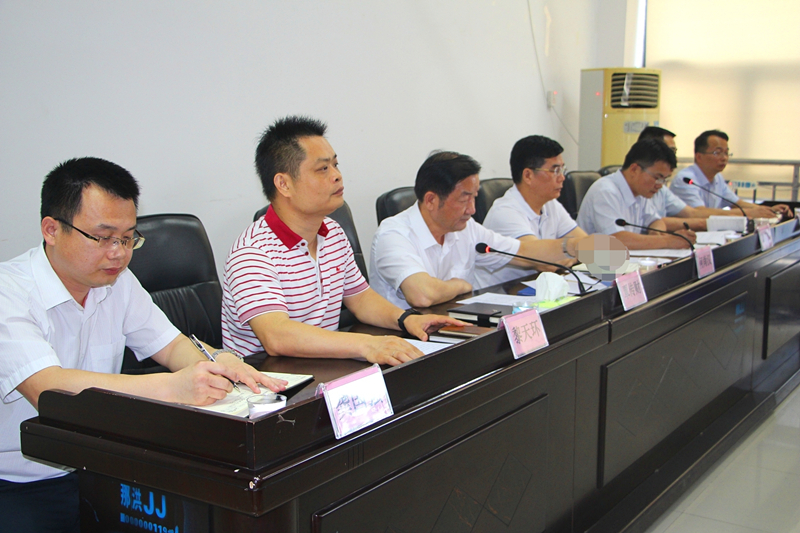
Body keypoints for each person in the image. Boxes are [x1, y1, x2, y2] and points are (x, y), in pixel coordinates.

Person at [0, 157, 285, 533]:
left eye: (127, 238)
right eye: (102, 237)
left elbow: (171, 345)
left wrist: (216, 366)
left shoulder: (116, 281)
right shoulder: (9, 292)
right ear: (52, 229)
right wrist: (173, 387)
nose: (118, 253)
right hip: (22, 481)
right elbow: (48, 388)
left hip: (102, 462)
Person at [222, 116, 462, 366]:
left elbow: (360, 299)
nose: (337, 176)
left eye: (335, 165)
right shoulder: (252, 253)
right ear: (284, 184)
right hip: (268, 379)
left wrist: (407, 319)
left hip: (323, 368)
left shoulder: (333, 233)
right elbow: (276, 336)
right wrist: (367, 345)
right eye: (323, 169)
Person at [370, 150, 588, 309]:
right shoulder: (394, 234)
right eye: (464, 199)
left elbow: (522, 251)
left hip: (453, 326)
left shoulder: (467, 229)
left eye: (474, 197)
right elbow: (422, 295)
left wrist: (572, 246)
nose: (472, 209)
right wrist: (459, 285)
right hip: (403, 340)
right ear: (431, 200)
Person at [475, 135, 588, 287]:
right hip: (503, 294)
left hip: (535, 289)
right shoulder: (505, 213)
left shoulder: (551, 205)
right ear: (528, 175)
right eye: (555, 170)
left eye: (562, 169)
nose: (562, 177)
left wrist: (572, 252)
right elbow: (545, 262)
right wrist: (573, 251)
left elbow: (588, 247)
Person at [577, 139, 697, 250]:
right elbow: (616, 239)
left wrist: (656, 232)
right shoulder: (605, 191)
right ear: (634, 169)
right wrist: (667, 241)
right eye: (657, 178)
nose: (660, 185)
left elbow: (656, 221)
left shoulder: (640, 191)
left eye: (664, 179)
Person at [669, 130, 793, 220]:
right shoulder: (685, 180)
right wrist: (749, 213)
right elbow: (698, 213)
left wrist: (768, 210)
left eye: (726, 153)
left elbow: (736, 203)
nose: (724, 158)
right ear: (699, 156)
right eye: (717, 153)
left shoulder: (717, 177)